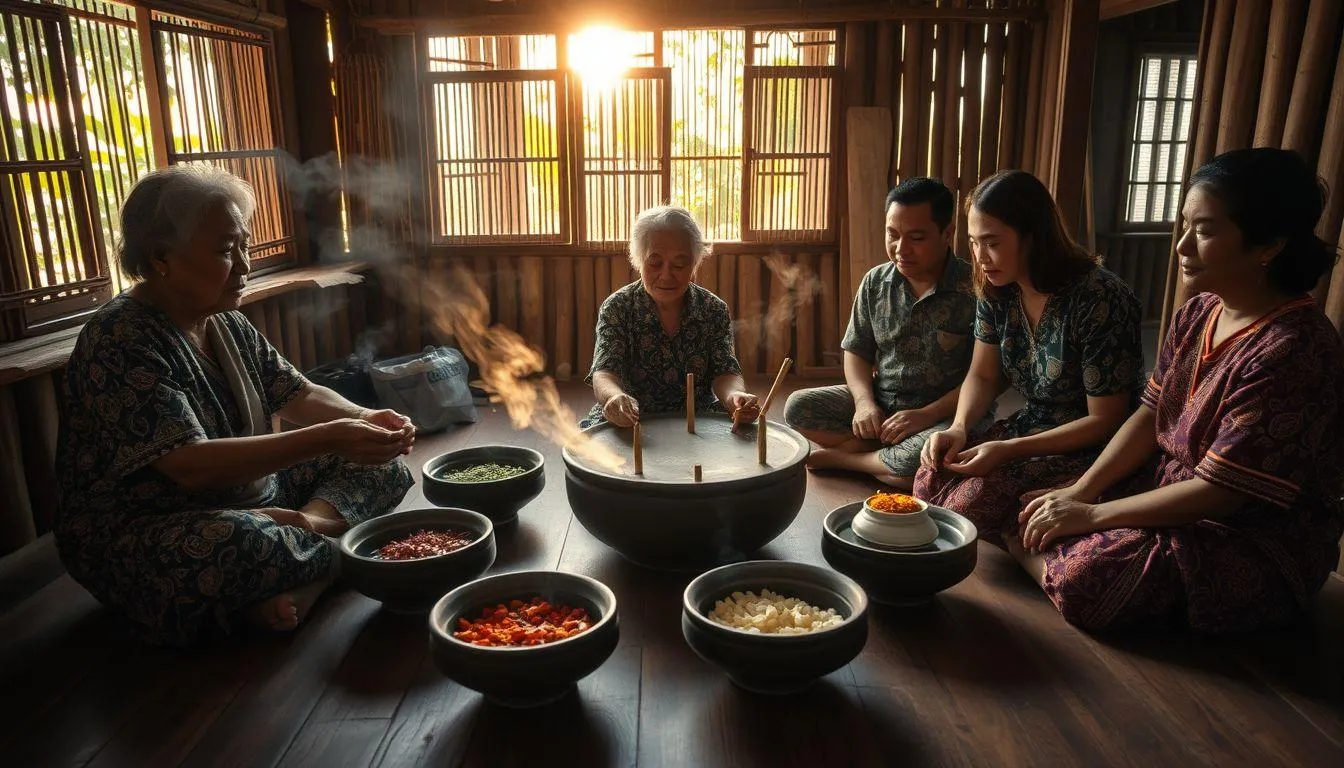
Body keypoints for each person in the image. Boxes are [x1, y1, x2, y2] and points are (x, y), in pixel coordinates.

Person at [53, 166, 415, 646]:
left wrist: (366, 420)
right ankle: (332, 556)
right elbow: (190, 468)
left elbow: (299, 394)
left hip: (255, 501)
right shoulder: (121, 338)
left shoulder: (222, 318)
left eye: (244, 245)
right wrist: (333, 436)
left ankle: (310, 543)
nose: (245, 265)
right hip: (147, 531)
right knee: (240, 545)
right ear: (163, 258)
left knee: (384, 465)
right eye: (227, 250)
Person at [1014, 148, 1344, 633]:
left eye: (1204, 230)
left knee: (1093, 577)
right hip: (1161, 488)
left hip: (1246, 532)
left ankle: (1045, 559)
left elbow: (1221, 494)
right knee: (997, 490)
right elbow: (1149, 416)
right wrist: (1080, 490)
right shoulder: (1199, 312)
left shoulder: (1295, 349)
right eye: (1184, 225)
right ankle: (1049, 553)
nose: (1182, 246)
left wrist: (1089, 514)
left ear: (1267, 245)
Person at [915, 170, 1144, 539]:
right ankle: (1020, 527)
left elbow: (1106, 420)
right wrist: (958, 427)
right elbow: (983, 376)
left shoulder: (1099, 297)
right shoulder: (997, 289)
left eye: (991, 242)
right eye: (973, 242)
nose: (980, 256)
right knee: (931, 476)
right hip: (1032, 426)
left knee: (965, 507)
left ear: (1033, 237)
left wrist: (1007, 450)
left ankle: (1037, 525)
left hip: (1091, 444)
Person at [783, 177, 979, 488]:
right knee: (796, 407)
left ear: (947, 233)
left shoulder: (975, 290)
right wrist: (864, 403)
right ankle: (881, 458)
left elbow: (983, 377)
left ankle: (849, 460)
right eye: (892, 235)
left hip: (946, 414)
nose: (901, 249)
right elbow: (856, 351)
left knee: (922, 459)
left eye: (916, 238)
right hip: (883, 404)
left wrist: (925, 416)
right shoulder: (876, 282)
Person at [582, 205, 760, 428]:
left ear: (694, 264)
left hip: (696, 417)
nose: (666, 275)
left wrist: (734, 396)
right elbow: (605, 371)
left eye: (679, 264)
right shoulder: (617, 307)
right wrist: (613, 398)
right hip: (631, 419)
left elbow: (725, 370)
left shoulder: (712, 308)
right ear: (639, 261)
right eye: (655, 263)